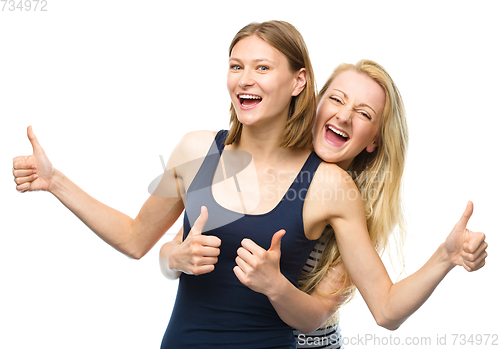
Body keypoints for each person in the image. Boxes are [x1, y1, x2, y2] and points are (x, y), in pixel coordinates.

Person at [13, 21, 487, 348]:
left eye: (263, 67)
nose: (245, 78)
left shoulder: (330, 185)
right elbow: (136, 239)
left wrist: (444, 258)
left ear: (299, 81)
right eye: (236, 65)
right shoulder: (196, 150)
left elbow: (384, 309)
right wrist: (56, 183)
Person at [159, 59, 488, 349]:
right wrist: (174, 257)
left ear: (374, 140)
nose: (344, 116)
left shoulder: (351, 207)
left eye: (363, 113)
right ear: (315, 103)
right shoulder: (258, 168)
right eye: (336, 99)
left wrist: (445, 257)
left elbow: (381, 310)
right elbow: (173, 250)